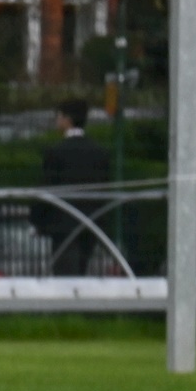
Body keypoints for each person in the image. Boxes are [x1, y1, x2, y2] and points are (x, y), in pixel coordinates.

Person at [36, 98, 114, 276]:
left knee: (65, 276)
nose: (57, 121)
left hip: (63, 225)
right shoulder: (99, 153)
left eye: (59, 116)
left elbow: (47, 189)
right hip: (91, 224)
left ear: (67, 119)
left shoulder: (56, 152)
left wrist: (38, 221)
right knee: (82, 271)